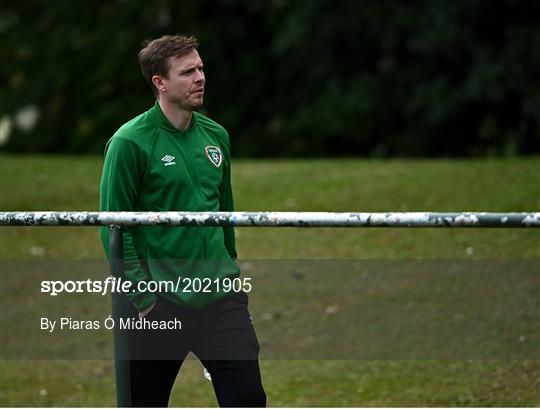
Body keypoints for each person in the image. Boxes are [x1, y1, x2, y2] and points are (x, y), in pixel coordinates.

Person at [99, 34, 266, 407]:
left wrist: (230, 269)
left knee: (248, 398)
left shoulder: (216, 136)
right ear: (160, 82)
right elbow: (112, 228)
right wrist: (144, 299)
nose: (200, 77)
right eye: (188, 72)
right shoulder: (129, 142)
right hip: (158, 303)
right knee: (143, 402)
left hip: (220, 299)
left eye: (201, 68)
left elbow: (225, 214)